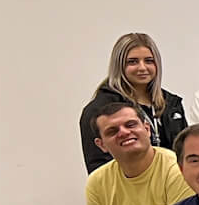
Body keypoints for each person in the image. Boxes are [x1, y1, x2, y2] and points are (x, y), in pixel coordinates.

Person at [86, 102, 194, 205]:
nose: (123, 132)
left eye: (130, 125)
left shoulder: (178, 170)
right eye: (112, 131)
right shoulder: (96, 181)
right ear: (101, 144)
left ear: (147, 129)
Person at [80, 32, 189, 174]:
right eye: (133, 62)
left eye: (149, 61)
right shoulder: (100, 109)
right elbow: (99, 168)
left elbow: (185, 152)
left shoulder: (171, 104)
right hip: (129, 191)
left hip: (174, 186)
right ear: (118, 66)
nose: (142, 68)